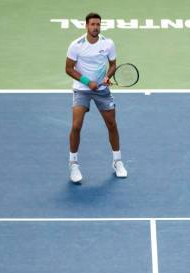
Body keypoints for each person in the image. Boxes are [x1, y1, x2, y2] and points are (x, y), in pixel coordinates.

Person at [65, 12, 127, 183]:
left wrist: (107, 77)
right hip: (81, 89)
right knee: (76, 125)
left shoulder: (108, 43)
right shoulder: (76, 45)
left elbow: (113, 65)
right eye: (92, 24)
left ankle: (117, 161)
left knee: (112, 124)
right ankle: (73, 163)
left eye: (98, 24)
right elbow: (68, 69)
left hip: (101, 90)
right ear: (86, 26)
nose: (95, 27)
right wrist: (87, 81)